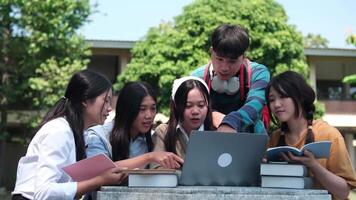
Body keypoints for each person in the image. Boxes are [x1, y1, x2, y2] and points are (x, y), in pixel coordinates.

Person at [12, 70, 125, 200]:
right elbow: (44, 192)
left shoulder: (79, 133)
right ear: (85, 100)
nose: (109, 108)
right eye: (106, 101)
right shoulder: (60, 131)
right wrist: (98, 180)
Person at [266, 71, 356, 199]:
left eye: (283, 96)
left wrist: (313, 165)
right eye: (271, 99)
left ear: (300, 97)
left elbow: (343, 192)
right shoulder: (274, 139)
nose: (276, 104)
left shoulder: (329, 134)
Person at [85, 81, 183, 170]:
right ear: (127, 109)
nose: (149, 115)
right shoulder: (97, 136)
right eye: (142, 109)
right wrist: (149, 157)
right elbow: (98, 171)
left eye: (153, 109)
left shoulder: (153, 139)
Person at [191, 24, 270, 134]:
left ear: (243, 57)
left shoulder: (258, 73)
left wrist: (230, 122)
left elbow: (256, 104)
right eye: (219, 59)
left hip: (252, 142)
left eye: (232, 61)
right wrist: (211, 114)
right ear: (211, 51)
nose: (224, 68)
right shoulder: (196, 78)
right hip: (210, 142)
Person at [152, 76, 214, 167]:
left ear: (208, 105)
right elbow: (156, 169)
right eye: (188, 106)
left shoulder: (217, 133)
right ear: (176, 106)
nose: (195, 112)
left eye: (201, 105)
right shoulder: (163, 132)